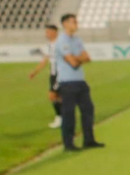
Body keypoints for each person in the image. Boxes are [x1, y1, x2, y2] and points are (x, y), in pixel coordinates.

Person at [53, 13, 102, 152]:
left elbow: (87, 58)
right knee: (69, 114)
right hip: (67, 82)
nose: (76, 24)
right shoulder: (62, 41)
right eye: (74, 22)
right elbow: (73, 62)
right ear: (65, 24)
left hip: (80, 81)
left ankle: (89, 140)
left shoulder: (77, 39)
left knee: (88, 111)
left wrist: (78, 58)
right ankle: (68, 144)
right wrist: (80, 58)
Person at [27, 22, 62, 130]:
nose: (46, 34)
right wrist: (35, 72)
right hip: (53, 73)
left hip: (60, 72)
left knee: (52, 95)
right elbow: (45, 61)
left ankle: (59, 118)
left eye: (48, 31)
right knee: (59, 97)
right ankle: (64, 117)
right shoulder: (48, 46)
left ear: (54, 32)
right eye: (46, 32)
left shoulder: (61, 43)